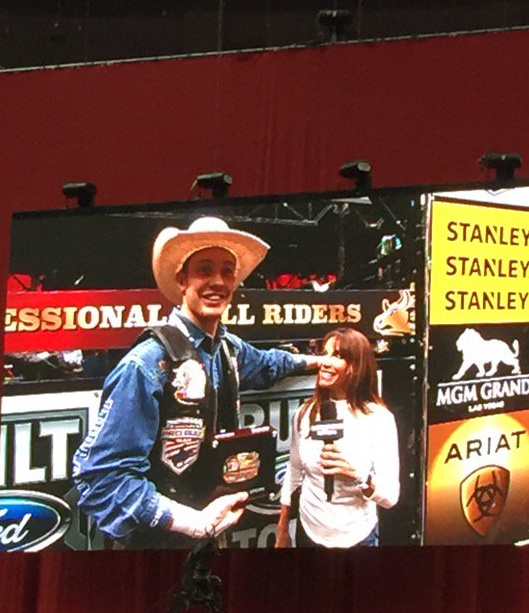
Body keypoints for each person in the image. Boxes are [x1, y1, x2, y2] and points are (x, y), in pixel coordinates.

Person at [73, 217, 323, 548]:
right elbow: (101, 477)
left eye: (227, 272)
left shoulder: (228, 349)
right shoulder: (146, 363)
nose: (217, 281)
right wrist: (192, 523)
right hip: (159, 544)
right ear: (182, 280)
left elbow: (268, 363)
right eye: (204, 270)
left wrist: (318, 361)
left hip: (212, 538)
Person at [276, 327, 400, 548]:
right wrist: (283, 528)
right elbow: (294, 471)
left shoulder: (379, 418)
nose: (325, 362)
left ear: (356, 366)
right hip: (308, 531)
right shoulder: (305, 413)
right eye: (324, 353)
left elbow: (390, 498)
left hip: (357, 537)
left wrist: (358, 476)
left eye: (337, 356)